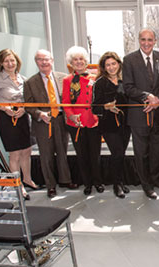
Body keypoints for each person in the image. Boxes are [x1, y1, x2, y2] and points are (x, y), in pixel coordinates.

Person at [24, 49, 78, 198]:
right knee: (46, 155)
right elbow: (28, 104)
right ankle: (51, 185)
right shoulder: (30, 82)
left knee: (62, 152)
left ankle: (65, 180)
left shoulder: (63, 78)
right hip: (43, 123)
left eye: (46, 59)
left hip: (61, 119)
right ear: (36, 62)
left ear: (52, 60)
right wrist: (39, 114)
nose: (44, 62)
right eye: (40, 59)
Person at [0, 49, 37, 200]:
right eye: (6, 61)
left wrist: (23, 108)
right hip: (7, 119)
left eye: (12, 60)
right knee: (14, 153)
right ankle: (18, 185)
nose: (10, 64)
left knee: (27, 151)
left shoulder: (23, 79)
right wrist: (4, 108)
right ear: (1, 63)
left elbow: (28, 99)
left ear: (17, 62)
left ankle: (27, 179)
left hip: (22, 117)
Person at [123, 28, 159, 200]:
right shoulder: (129, 60)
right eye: (143, 39)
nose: (146, 43)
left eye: (150, 39)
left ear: (155, 40)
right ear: (139, 40)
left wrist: (158, 101)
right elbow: (127, 87)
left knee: (157, 150)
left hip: (158, 114)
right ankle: (146, 185)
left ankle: (156, 179)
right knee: (141, 152)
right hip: (139, 114)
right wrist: (147, 97)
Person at [62, 46, 104, 195]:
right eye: (75, 60)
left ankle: (98, 182)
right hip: (76, 123)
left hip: (93, 122)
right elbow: (65, 101)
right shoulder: (67, 80)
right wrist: (71, 115)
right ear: (71, 63)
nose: (79, 62)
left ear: (86, 61)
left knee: (95, 154)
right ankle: (87, 184)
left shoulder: (95, 78)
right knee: (81, 155)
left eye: (81, 59)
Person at [92, 52, 131, 199]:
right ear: (104, 67)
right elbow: (94, 107)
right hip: (108, 125)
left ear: (119, 64)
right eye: (108, 65)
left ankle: (120, 181)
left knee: (121, 154)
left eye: (113, 63)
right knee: (117, 153)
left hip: (125, 124)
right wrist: (106, 107)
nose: (111, 67)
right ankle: (117, 185)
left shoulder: (125, 81)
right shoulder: (100, 83)